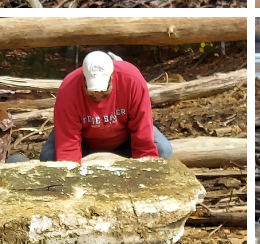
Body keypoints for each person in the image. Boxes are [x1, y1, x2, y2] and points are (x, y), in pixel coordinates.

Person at [39, 52, 173, 163]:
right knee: (49, 157)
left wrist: (146, 170)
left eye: (103, 90)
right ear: (83, 79)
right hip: (84, 143)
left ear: (112, 78)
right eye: (91, 90)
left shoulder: (132, 81)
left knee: (162, 150)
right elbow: (68, 146)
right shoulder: (68, 90)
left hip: (126, 140)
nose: (97, 95)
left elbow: (142, 132)